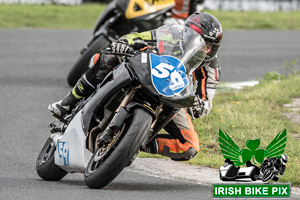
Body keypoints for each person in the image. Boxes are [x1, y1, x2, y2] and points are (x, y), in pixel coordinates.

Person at [48, 12, 223, 161]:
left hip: (171, 97)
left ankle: (132, 142)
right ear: (186, 34)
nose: (201, 49)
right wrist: (124, 43)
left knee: (190, 147)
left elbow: (206, 103)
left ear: (214, 49)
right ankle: (68, 101)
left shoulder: (211, 69)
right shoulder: (172, 35)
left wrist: (197, 104)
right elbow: (138, 37)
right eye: (197, 41)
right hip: (144, 72)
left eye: (207, 47)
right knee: (107, 57)